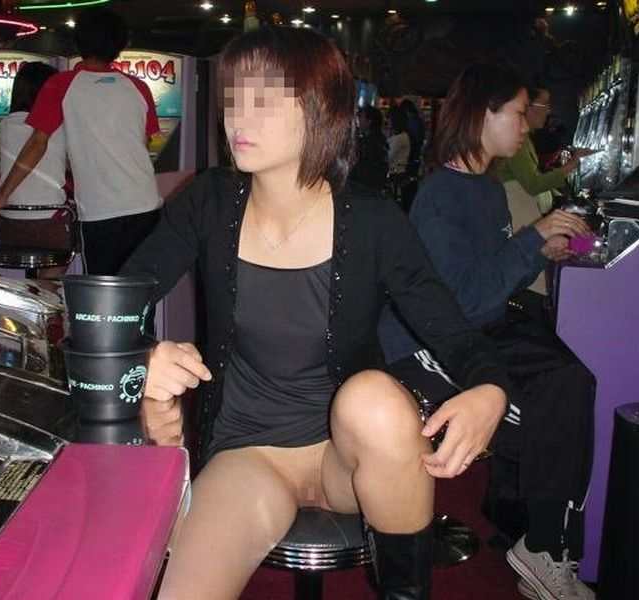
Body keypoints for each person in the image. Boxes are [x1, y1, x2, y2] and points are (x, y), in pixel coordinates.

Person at [122, 27, 513, 600]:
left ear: (319, 109)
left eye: (264, 100)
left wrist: (491, 389)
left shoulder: (373, 222)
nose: (239, 117)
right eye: (234, 98)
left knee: (373, 398)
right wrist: (142, 355)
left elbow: (452, 330)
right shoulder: (210, 200)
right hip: (247, 454)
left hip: (346, 456)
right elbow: (116, 299)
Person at [378, 63, 596, 600]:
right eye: (518, 114)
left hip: (477, 330)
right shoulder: (440, 196)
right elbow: (458, 302)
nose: (525, 126)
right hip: (427, 344)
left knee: (572, 379)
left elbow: (491, 279)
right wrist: (531, 240)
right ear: (483, 115)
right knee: (554, 403)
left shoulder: (487, 187)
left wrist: (537, 250)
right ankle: (544, 547)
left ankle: (518, 522)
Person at [0, 7, 162, 275]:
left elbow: (37, 144)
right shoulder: (139, 87)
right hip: (146, 205)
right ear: (120, 45)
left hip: (101, 212)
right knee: (141, 288)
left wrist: (1, 197)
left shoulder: (61, 85)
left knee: (104, 292)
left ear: (78, 42)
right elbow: (145, 142)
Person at [0, 61, 70, 279]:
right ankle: (46, 288)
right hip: (50, 223)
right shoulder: (60, 123)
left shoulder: (5, 124)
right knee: (64, 250)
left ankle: (33, 292)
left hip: (9, 226)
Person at [497, 85, 591, 216]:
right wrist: (571, 165)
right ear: (528, 107)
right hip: (518, 211)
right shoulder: (517, 141)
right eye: (545, 104)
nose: (548, 111)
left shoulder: (526, 139)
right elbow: (533, 184)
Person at [350, 105, 389, 191]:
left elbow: (360, 167)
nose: (359, 121)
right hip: (377, 185)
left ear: (369, 121)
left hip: (364, 186)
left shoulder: (368, 142)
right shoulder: (381, 139)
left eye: (361, 117)